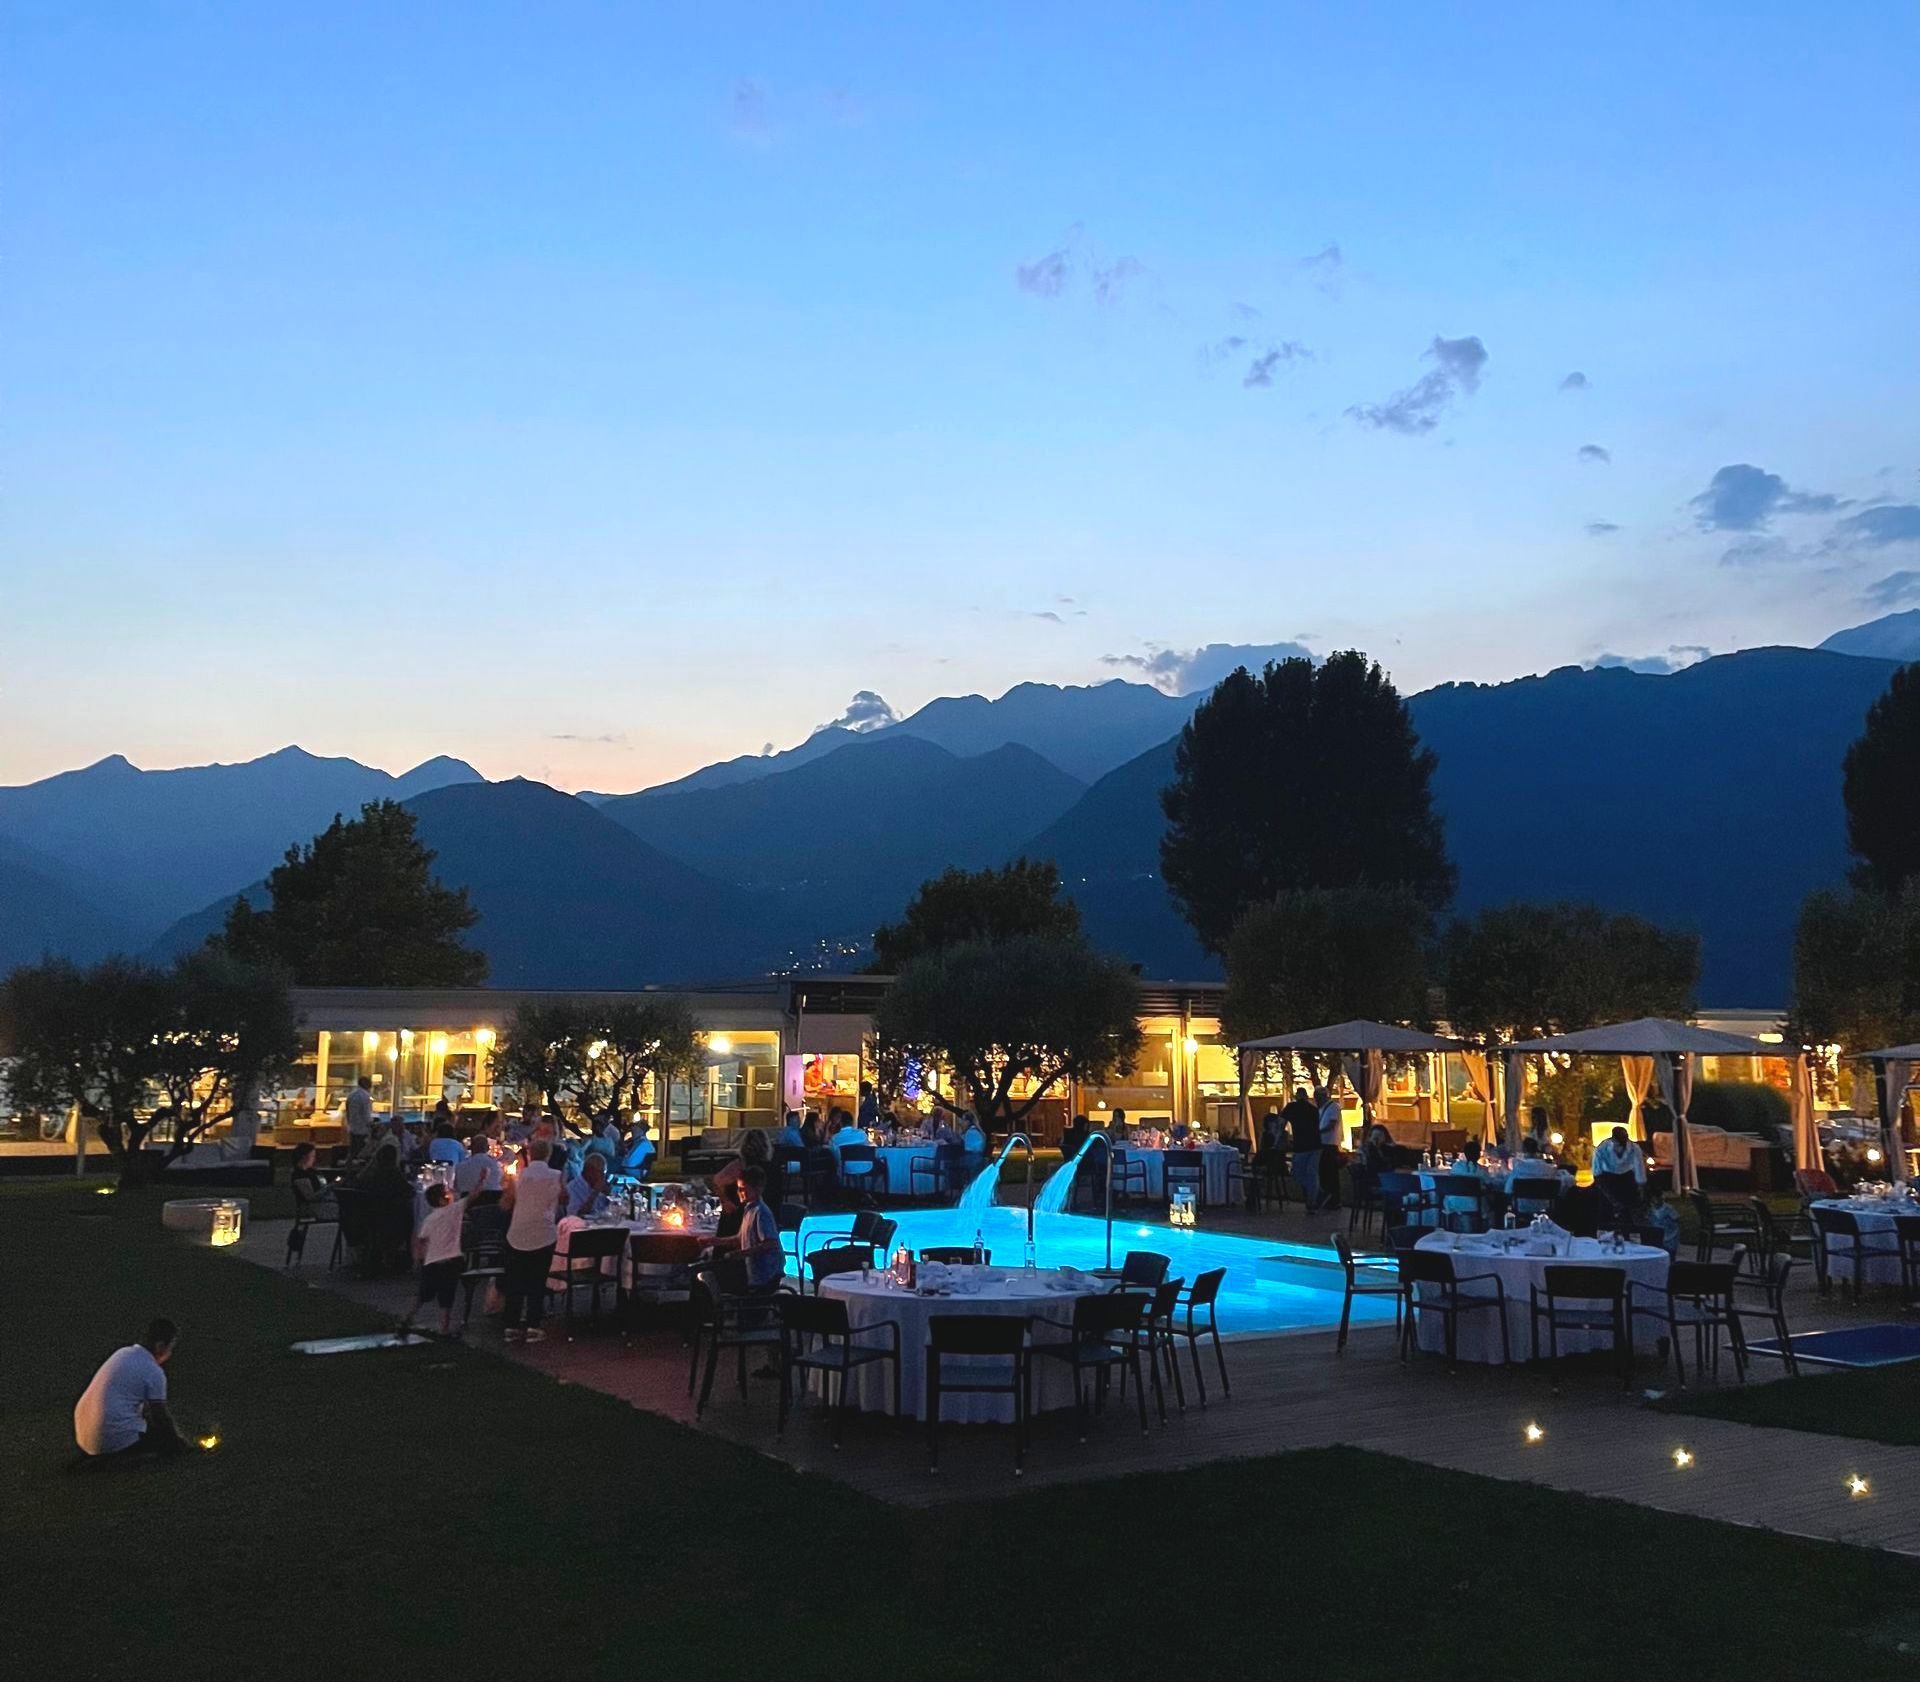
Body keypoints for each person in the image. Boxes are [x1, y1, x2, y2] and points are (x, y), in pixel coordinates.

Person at [74, 1319, 186, 1460]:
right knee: (163, 1441)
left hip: (84, 1438)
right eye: (170, 1348)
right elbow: (160, 1416)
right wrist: (179, 1442)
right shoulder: (153, 1371)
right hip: (109, 1438)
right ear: (160, 1346)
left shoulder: (123, 1353)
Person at [498, 1140, 566, 1341]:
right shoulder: (557, 1176)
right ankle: (533, 1325)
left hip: (518, 1232)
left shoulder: (519, 1176)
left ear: (530, 1155)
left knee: (515, 1281)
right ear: (548, 1155)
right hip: (544, 1233)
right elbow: (565, 1199)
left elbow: (505, 1205)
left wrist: (507, 1187)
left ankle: (511, 1325)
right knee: (537, 1281)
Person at [706, 1165, 784, 1292]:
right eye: (738, 1189)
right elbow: (740, 1238)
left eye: (743, 1189)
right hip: (754, 1273)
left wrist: (741, 1253)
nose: (739, 1193)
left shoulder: (761, 1212)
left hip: (766, 1275)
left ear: (757, 1189)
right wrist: (714, 1241)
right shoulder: (748, 1209)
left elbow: (770, 1243)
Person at [405, 1184, 468, 1336]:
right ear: (442, 1199)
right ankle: (444, 1328)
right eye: (448, 1192)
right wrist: (482, 1180)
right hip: (450, 1261)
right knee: (447, 1297)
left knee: (424, 1294)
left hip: (432, 1262)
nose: (452, 1194)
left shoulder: (430, 1219)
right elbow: (473, 1196)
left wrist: (417, 1258)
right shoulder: (453, 1210)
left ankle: (407, 1318)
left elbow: (421, 1239)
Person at [1280, 1087, 1321, 1208]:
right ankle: (1314, 1198)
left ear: (1296, 1096)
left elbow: (1281, 1123)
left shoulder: (1291, 1107)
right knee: (1312, 1174)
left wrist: (1278, 1139)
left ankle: (1313, 1198)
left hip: (1301, 1145)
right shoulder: (1313, 1109)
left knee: (1298, 1173)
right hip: (1315, 1144)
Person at [1316, 1086, 1345, 1212]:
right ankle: (1329, 1199)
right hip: (1323, 1143)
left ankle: (1334, 1200)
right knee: (1324, 1173)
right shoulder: (1322, 1109)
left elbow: (1331, 1125)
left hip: (1329, 1144)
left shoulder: (1333, 1107)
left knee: (1330, 1174)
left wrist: (1317, 1132)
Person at [453, 1133, 503, 1198]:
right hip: (491, 1202)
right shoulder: (496, 1166)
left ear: (471, 1147)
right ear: (487, 1148)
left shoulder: (460, 1167)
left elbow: (456, 1188)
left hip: (467, 1202)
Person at [566, 1151, 611, 1217]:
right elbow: (577, 1216)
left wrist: (609, 1195)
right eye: (601, 1172)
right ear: (589, 1171)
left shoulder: (598, 1186)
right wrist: (595, 1193)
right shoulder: (573, 1189)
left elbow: (606, 1211)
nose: (603, 1176)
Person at [344, 1075, 374, 1153]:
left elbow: (347, 1112)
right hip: (363, 1130)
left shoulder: (351, 1095)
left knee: (353, 1150)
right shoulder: (365, 1096)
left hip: (353, 1128)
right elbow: (367, 1115)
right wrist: (371, 1125)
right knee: (361, 1151)